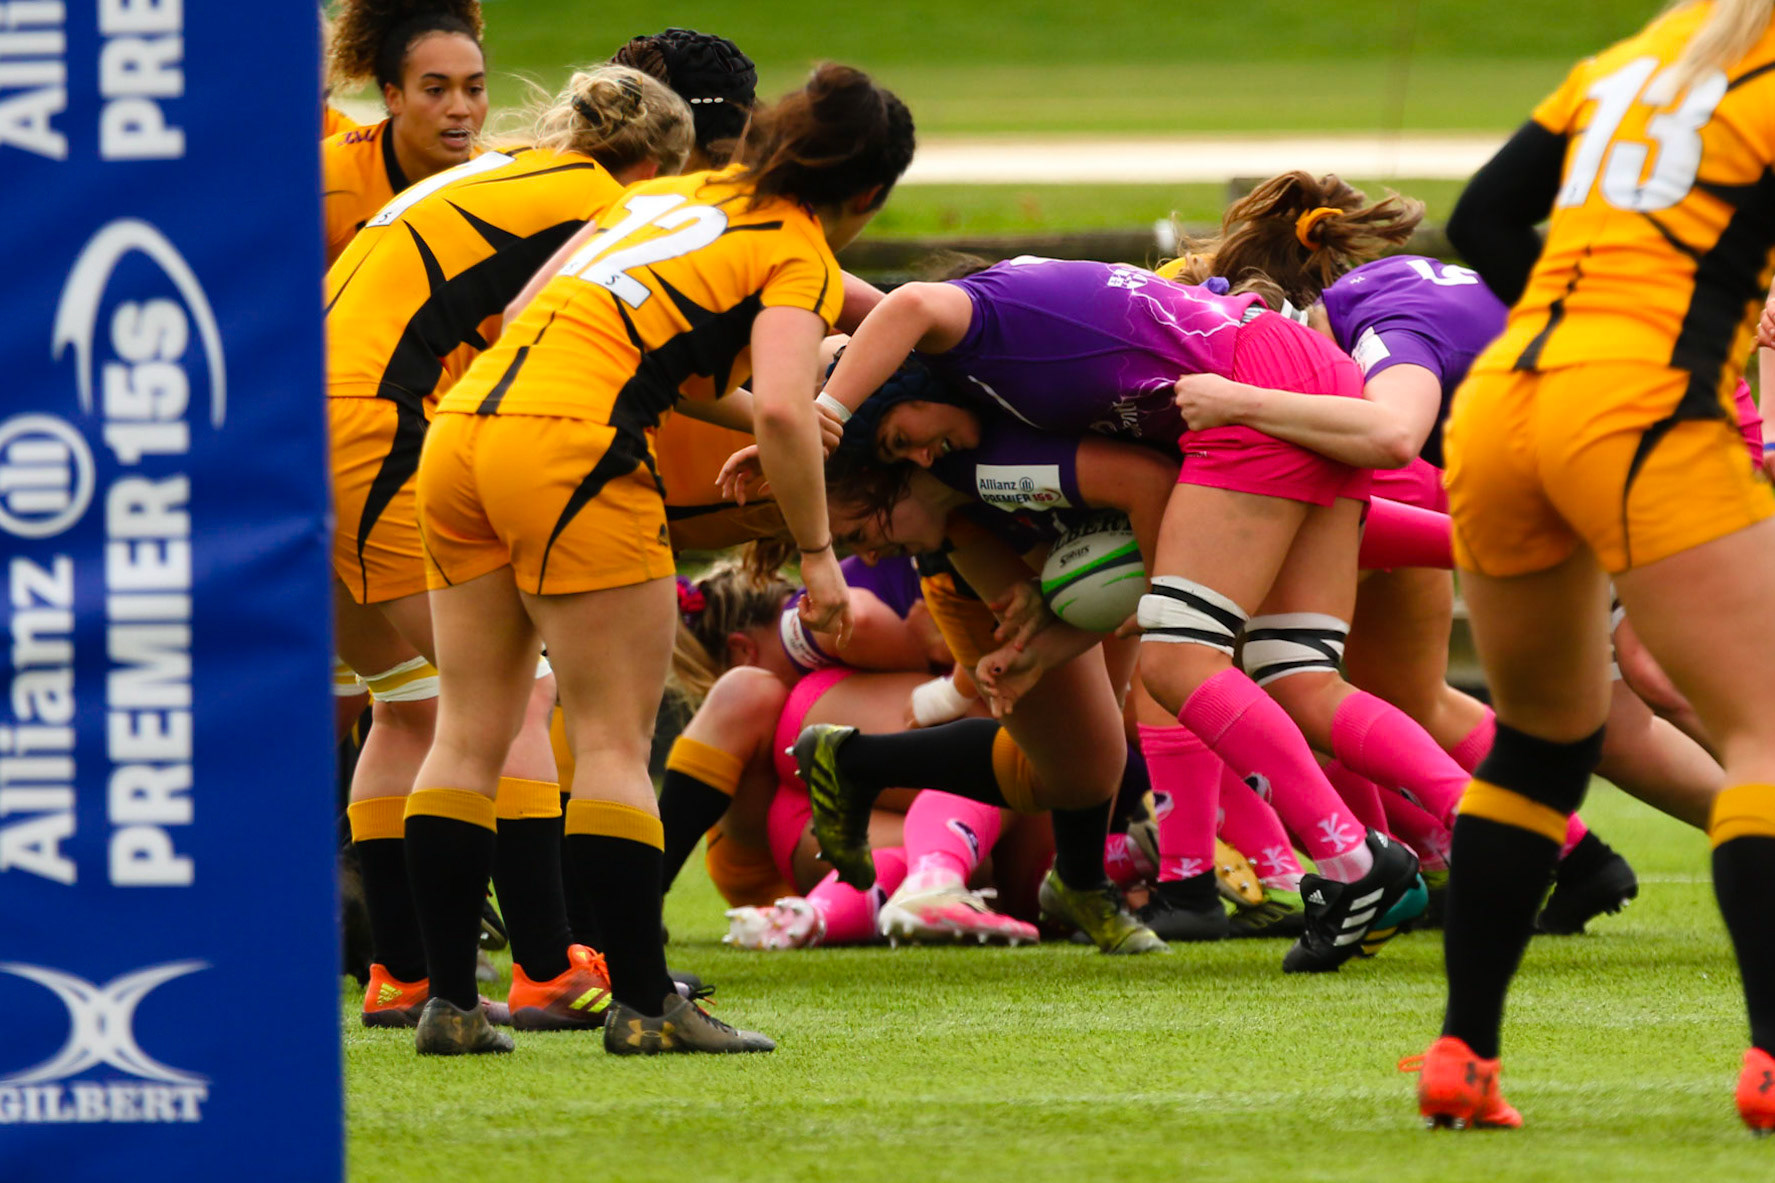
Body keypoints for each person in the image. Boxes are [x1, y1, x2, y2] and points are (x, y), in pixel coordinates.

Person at [401, 63, 915, 1056]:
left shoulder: (667, 194)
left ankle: (449, 1004)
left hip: (464, 431)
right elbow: (780, 405)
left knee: (465, 731)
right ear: (863, 194)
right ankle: (644, 1004)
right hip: (574, 450)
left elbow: (530, 318)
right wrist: (817, 557)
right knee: (608, 737)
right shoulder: (797, 249)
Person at [812, 258, 1479, 972]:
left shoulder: (973, 394)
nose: (917, 453)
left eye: (897, 443)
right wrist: (1056, 639)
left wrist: (822, 412)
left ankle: (1349, 866)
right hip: (1300, 377)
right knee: (1297, 673)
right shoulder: (980, 424)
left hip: (1246, 398)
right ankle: (1498, 825)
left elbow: (893, 301)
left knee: (1176, 663)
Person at [1402, 0, 1775, 1132]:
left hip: (1506, 398)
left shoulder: (1637, 56)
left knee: (1540, 738)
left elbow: (1481, 217)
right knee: (1765, 732)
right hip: (1642, 403)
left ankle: (1462, 1054)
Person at [327, 66, 694, 1031]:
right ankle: (548, 966)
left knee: (406, 706)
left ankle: (405, 974)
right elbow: (606, 346)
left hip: (306, 416)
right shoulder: (609, 204)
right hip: (369, 424)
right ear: (652, 163)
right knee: (504, 689)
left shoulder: (507, 174)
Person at [323, 0, 488, 265]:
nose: (460, 109)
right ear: (394, 97)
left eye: (474, 89)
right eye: (436, 90)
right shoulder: (325, 180)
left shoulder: (498, 187)